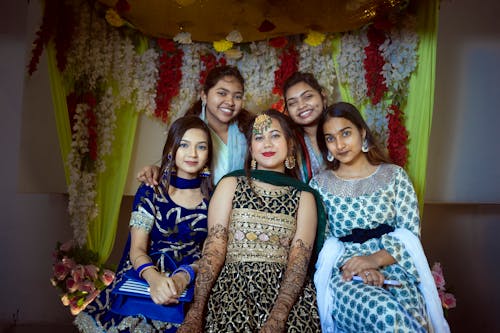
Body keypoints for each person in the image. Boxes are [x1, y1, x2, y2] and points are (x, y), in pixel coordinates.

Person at [177, 109, 325, 333]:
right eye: (258, 137)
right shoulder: (231, 184)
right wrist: (196, 311)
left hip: (286, 296)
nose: (267, 144)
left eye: (275, 135)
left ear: (290, 144)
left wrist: (278, 316)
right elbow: (215, 247)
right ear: (250, 148)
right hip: (231, 290)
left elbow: (299, 259)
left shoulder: (304, 195)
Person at [310, 102, 450, 333]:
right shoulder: (319, 185)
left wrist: (374, 260)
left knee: (413, 319)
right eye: (330, 138)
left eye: (346, 133)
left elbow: (410, 234)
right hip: (347, 275)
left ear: (362, 132)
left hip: (395, 267)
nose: (340, 144)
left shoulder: (394, 176)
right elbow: (322, 243)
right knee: (387, 314)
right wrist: (360, 267)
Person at [74, 116, 214, 332]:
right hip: (144, 278)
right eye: (184, 145)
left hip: (191, 282)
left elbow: (209, 254)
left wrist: (183, 276)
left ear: (209, 154)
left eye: (201, 147)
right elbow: (137, 248)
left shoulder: (214, 199)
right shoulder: (151, 190)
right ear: (171, 148)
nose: (193, 154)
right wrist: (155, 280)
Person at [138, 65, 253, 186]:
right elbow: (172, 166)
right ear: (204, 96)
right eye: (222, 93)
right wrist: (156, 171)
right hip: (197, 202)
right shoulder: (187, 130)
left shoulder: (248, 131)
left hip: (241, 202)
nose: (230, 102)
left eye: (237, 96)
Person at [282, 71, 328, 182]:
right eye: (292, 103)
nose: (301, 106)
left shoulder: (341, 130)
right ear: (287, 111)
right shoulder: (288, 144)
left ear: (323, 97)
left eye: (308, 97)